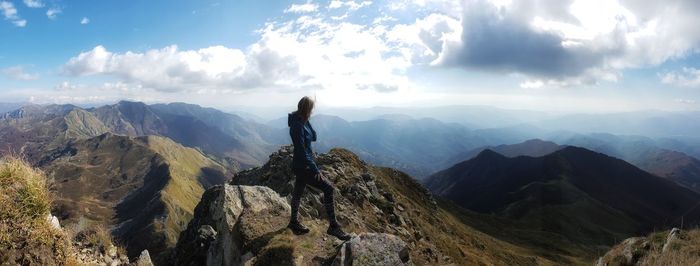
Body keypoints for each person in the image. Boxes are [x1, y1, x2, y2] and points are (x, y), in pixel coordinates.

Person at [287, 96, 351, 241]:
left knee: (298, 192)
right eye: (311, 108)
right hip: (304, 165)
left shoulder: (302, 121)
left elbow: (314, 137)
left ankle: (293, 222)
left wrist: (308, 122)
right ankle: (333, 227)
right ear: (307, 109)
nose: (313, 111)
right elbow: (301, 150)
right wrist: (315, 170)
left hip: (301, 165)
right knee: (328, 188)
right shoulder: (297, 126)